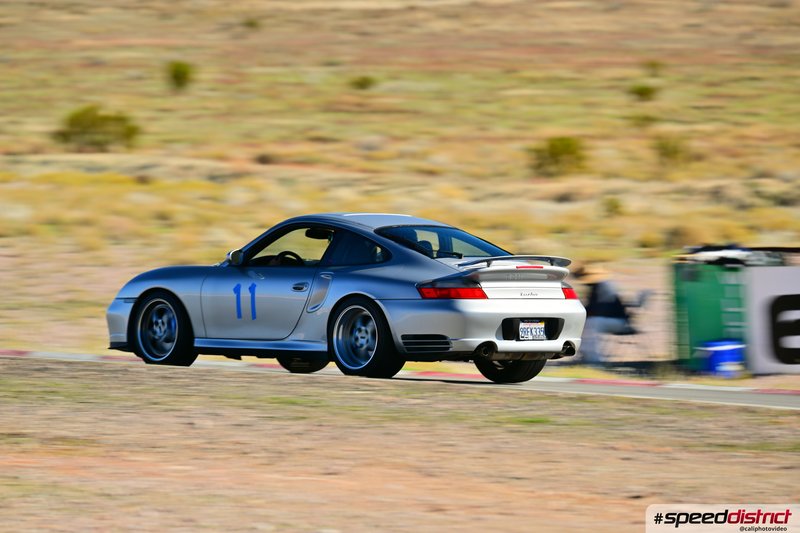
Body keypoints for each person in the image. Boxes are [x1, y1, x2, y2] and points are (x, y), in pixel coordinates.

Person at [573, 264, 632, 364]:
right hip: (612, 320)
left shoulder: (603, 287)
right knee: (586, 323)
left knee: (592, 323)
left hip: (619, 322)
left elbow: (600, 308)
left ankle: (593, 359)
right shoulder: (598, 286)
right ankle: (585, 354)